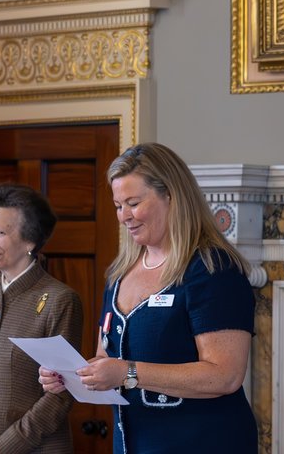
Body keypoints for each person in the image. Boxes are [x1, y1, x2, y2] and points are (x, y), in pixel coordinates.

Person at [39, 143, 259, 453]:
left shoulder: (213, 269)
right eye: (118, 205)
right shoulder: (119, 274)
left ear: (171, 196)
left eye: (133, 202)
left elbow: (226, 375)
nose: (123, 216)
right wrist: (74, 375)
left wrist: (127, 372)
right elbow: (106, 359)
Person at [0, 183, 83, 454]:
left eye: (0, 233)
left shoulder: (60, 299)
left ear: (30, 240)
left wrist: (2, 449)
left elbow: (61, 395)